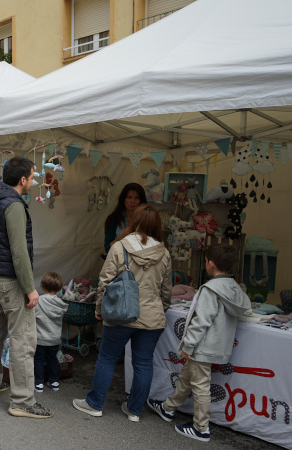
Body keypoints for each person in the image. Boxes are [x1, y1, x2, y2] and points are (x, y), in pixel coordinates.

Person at [73, 204, 171, 422]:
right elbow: (166, 291)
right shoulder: (163, 253)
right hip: (152, 318)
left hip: (120, 313)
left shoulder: (120, 247)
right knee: (144, 364)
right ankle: (135, 410)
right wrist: (159, 309)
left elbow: (104, 281)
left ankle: (95, 404)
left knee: (107, 359)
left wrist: (99, 310)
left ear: (134, 221)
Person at [147, 244, 250, 442]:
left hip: (202, 346)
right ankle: (168, 408)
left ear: (210, 264)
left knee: (200, 385)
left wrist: (188, 345)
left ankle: (201, 427)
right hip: (218, 346)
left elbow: (201, 321)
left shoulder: (210, 290)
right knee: (188, 375)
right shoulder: (235, 288)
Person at [0, 157, 53, 419]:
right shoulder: (13, 205)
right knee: (23, 338)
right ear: (22, 180)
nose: (33, 182)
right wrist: (30, 288)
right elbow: (19, 251)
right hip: (10, 279)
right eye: (32, 178)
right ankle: (22, 400)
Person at [34, 272, 69, 393]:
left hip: (40, 338)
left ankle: (39, 383)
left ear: (42, 285)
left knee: (38, 359)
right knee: (52, 359)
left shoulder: (38, 301)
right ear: (59, 289)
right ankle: (54, 382)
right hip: (54, 339)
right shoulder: (60, 304)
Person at [104, 183, 147, 254]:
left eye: (137, 198)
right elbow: (107, 249)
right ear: (123, 199)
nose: (132, 201)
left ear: (141, 200)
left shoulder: (147, 219)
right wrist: (121, 236)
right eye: (129, 197)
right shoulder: (113, 219)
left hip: (141, 261)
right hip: (119, 261)